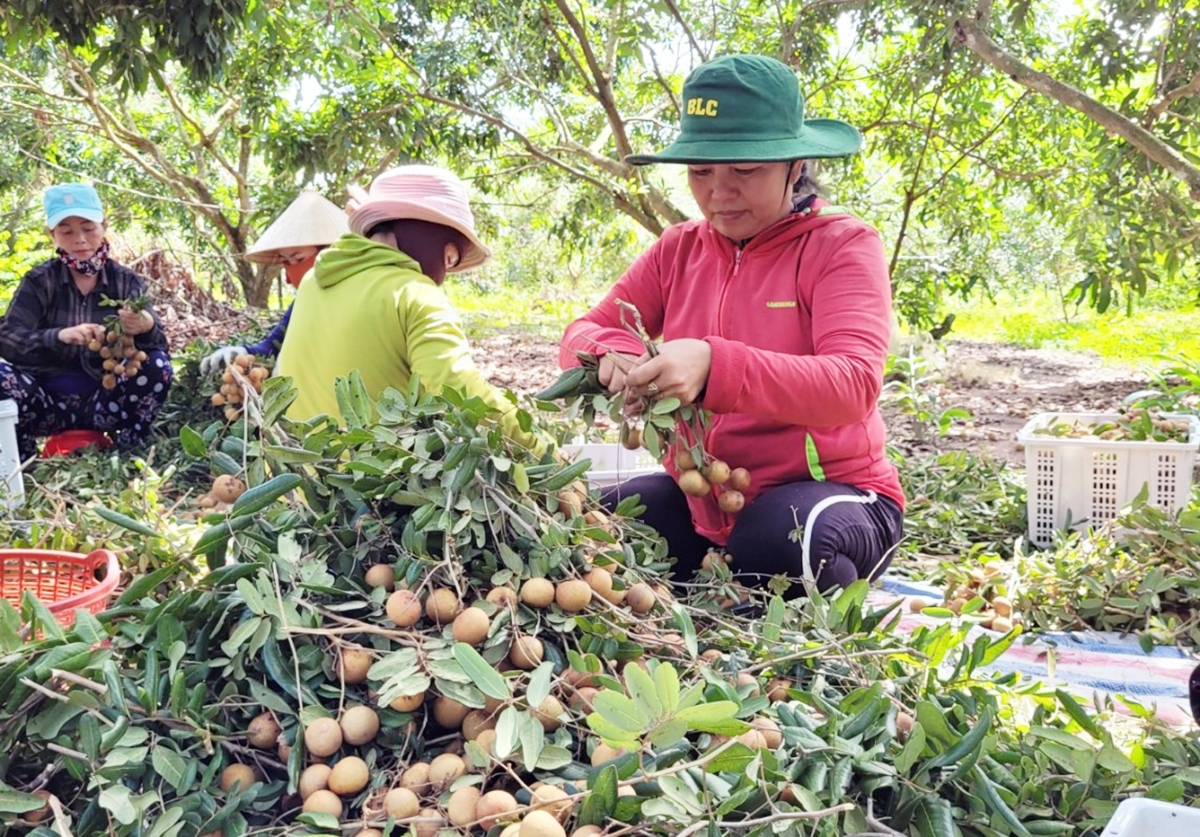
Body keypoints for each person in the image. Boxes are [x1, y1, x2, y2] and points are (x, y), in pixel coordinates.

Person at [559, 55, 904, 595]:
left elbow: (853, 383)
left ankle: (781, 589)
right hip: (708, 501)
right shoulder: (678, 250)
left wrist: (714, 365)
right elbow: (585, 330)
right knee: (599, 526)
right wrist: (609, 353)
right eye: (701, 173)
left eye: (744, 171)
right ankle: (721, 585)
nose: (719, 193)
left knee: (780, 541)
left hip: (835, 494)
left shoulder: (842, 245)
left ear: (795, 166)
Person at [273, 164, 544, 452]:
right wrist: (540, 449)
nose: (443, 274)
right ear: (434, 240)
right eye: (450, 258)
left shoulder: (312, 282)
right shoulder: (416, 294)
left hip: (293, 472)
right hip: (370, 476)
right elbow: (461, 393)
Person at [0, 183, 173, 460]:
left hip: (105, 404)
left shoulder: (124, 281)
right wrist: (58, 336)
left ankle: (128, 452)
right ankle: (22, 460)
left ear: (104, 226)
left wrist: (145, 325)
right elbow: (8, 338)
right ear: (52, 235)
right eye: (66, 231)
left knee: (158, 366)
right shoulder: (39, 281)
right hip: (44, 405)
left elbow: (159, 345)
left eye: (88, 228)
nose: (79, 239)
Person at [200, 190, 349, 373]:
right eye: (286, 261)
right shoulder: (303, 301)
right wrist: (242, 352)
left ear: (329, 250)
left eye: (299, 259)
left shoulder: (361, 293)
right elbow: (271, 346)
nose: (293, 268)